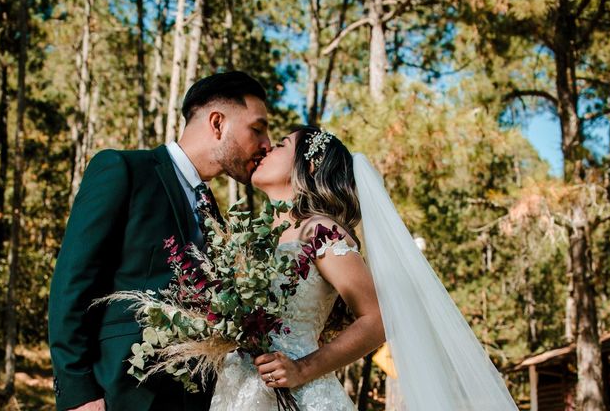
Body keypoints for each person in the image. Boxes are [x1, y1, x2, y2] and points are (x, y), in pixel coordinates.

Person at [210, 125, 519, 410]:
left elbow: (377, 319)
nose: (267, 149)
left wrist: (301, 369)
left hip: (298, 396)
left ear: (311, 165)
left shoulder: (319, 230)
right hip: (238, 391)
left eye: (281, 144)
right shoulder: (249, 239)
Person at [48, 71, 271, 411]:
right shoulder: (123, 170)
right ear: (217, 123)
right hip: (118, 393)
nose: (266, 143)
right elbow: (72, 283)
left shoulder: (213, 212)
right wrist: (79, 391)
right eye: (257, 128)